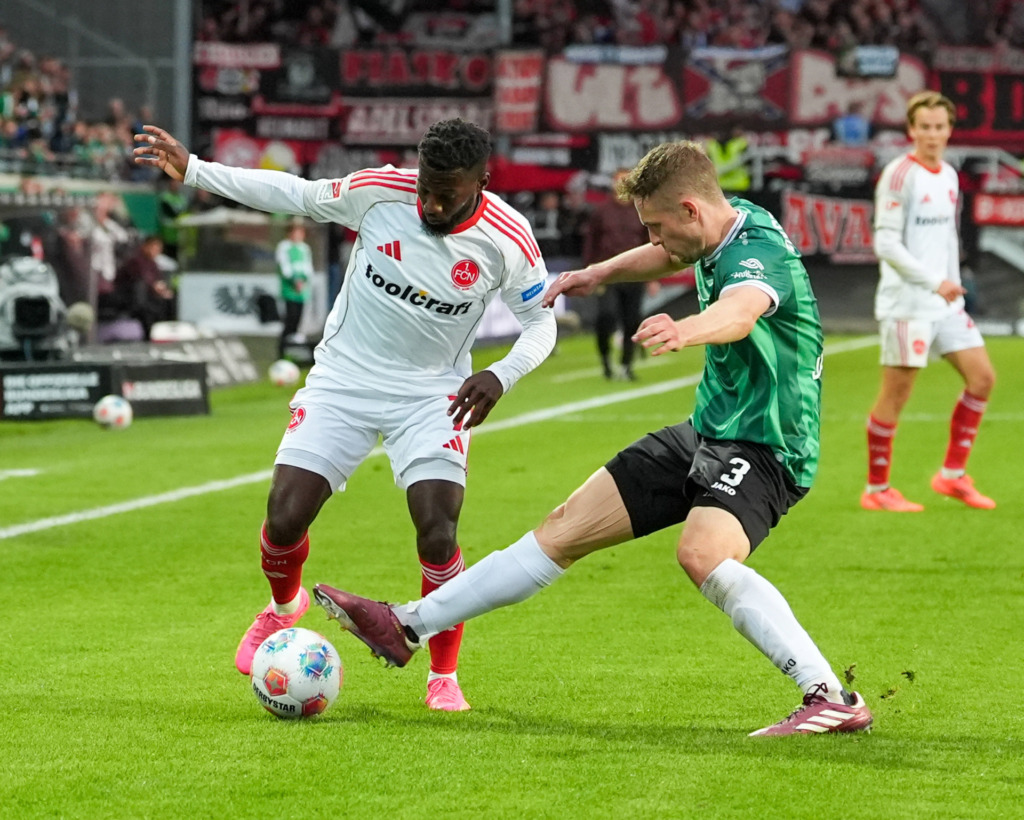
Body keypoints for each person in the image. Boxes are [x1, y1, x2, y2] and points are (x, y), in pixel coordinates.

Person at [311, 140, 874, 737]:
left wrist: (685, 330)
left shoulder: (757, 255)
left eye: (657, 226)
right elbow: (667, 258)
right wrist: (598, 273)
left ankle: (829, 695)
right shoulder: (726, 221)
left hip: (767, 446)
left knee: (702, 554)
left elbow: (740, 311)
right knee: (563, 528)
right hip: (709, 431)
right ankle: (405, 627)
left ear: (689, 209)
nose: (654, 241)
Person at [134, 118, 557, 712]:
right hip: (344, 379)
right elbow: (294, 194)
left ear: (481, 181)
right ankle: (284, 609)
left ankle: (443, 673)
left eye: (448, 194)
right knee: (284, 518)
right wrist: (198, 170)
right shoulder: (380, 191)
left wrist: (499, 374)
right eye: (426, 188)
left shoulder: (507, 237)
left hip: (433, 392)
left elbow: (542, 322)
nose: (431, 204)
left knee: (438, 527)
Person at [861, 91, 997, 512]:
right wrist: (932, 281)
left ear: (950, 130)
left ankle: (952, 476)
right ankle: (877, 489)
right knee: (896, 395)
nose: (933, 135)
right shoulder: (900, 175)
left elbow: (944, 238)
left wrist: (952, 285)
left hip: (945, 302)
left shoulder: (950, 175)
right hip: (908, 304)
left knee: (982, 378)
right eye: (925, 127)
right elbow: (884, 242)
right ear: (911, 129)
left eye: (940, 127)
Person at [583, 169, 654, 380]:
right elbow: (591, 243)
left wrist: (651, 276)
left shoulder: (640, 211)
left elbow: (649, 244)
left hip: (634, 273)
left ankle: (626, 365)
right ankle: (605, 360)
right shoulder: (601, 212)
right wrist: (589, 272)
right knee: (606, 316)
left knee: (632, 320)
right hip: (607, 273)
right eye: (618, 181)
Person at [111, 234, 174, 339]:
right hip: (131, 300)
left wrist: (163, 289)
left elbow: (158, 280)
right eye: (154, 247)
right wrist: (154, 287)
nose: (157, 251)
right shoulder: (135, 261)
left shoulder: (153, 263)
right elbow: (142, 280)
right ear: (146, 246)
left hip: (150, 298)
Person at [275, 219, 314, 360]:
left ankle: (293, 354)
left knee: (298, 322)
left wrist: (302, 281)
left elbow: (308, 269)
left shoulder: (305, 248)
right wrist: (295, 280)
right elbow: (285, 267)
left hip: (302, 292)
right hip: (289, 291)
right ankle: (281, 352)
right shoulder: (284, 247)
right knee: (289, 321)